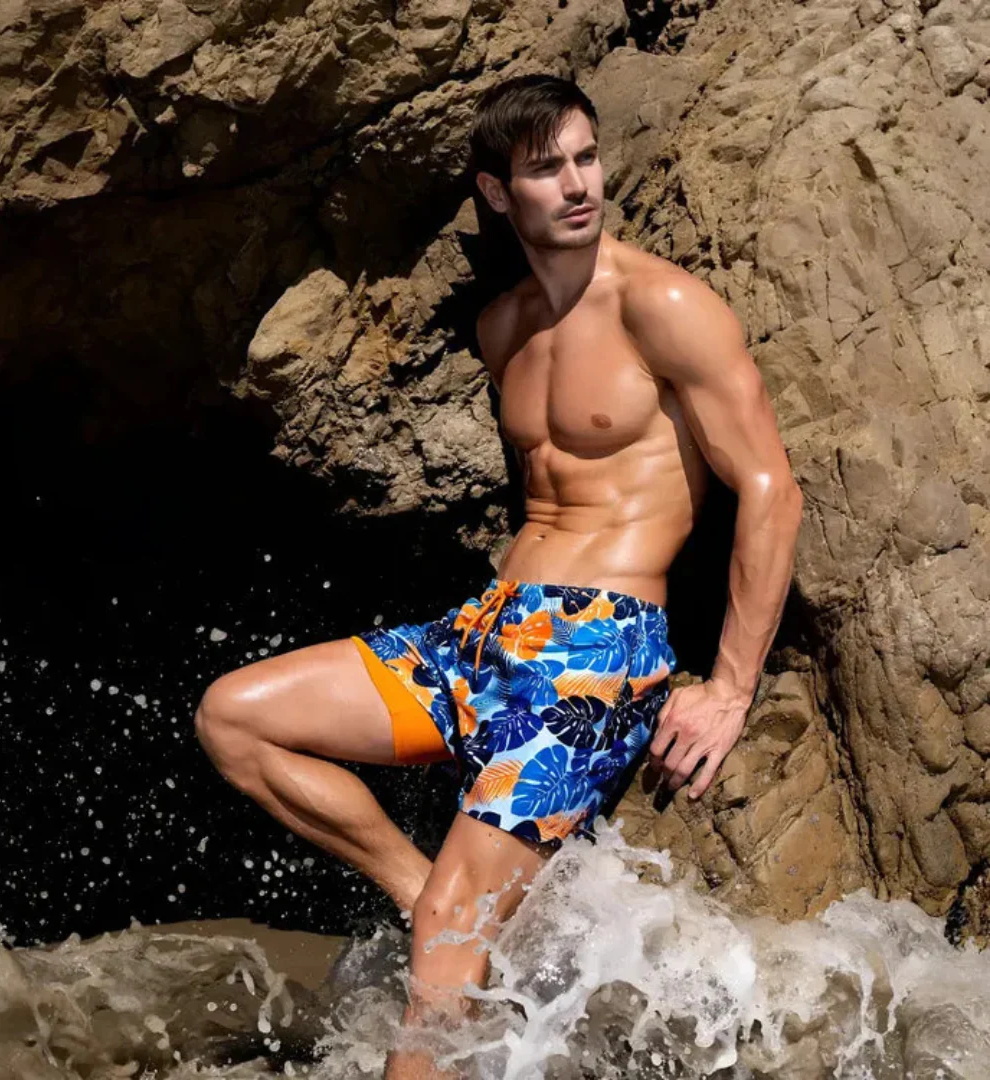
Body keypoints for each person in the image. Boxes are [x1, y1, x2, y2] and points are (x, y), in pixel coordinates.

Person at [195, 73, 804, 1079]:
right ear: (494, 191)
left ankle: (449, 922)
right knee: (235, 718)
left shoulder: (661, 304)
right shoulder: (503, 329)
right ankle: (423, 890)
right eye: (545, 168)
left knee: (447, 942)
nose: (578, 184)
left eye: (586, 158)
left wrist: (732, 686)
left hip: (595, 650)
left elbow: (770, 489)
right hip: (483, 634)